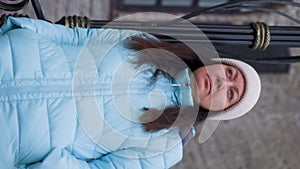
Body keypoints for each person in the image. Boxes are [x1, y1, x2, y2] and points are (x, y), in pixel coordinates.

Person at [0, 17, 261, 169]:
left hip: (9, 135)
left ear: (221, 111)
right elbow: (79, 37)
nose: (221, 84)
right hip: (8, 57)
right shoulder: (148, 44)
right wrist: (23, 30)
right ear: (219, 63)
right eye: (229, 74)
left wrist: (45, 160)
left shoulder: (165, 148)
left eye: (231, 94)